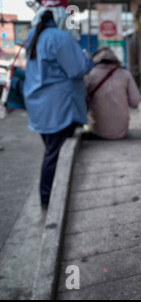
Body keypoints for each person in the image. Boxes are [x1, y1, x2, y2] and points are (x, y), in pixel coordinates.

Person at [23, 10, 93, 208]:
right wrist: (87, 58)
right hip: (59, 106)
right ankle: (47, 198)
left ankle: (49, 196)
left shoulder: (33, 37)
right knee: (53, 155)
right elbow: (77, 69)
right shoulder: (59, 37)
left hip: (39, 106)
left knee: (52, 151)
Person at [83, 47, 141, 140]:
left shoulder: (90, 76)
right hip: (121, 131)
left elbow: (82, 100)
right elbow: (135, 101)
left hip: (97, 130)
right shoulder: (126, 74)